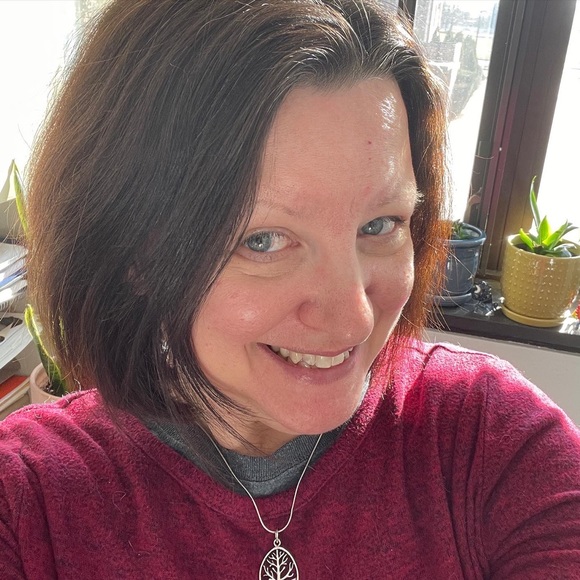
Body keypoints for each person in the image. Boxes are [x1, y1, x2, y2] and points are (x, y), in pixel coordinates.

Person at [1, 1, 579, 578]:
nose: (354, 319)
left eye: (380, 225)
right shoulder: (27, 501)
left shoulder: (491, 440)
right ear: (136, 256)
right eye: (263, 240)